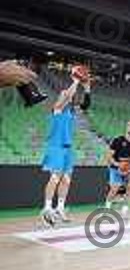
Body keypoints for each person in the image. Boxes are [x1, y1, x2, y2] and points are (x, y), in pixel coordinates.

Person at [40, 73, 91, 227]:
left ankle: (60, 207)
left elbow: (86, 105)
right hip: (56, 146)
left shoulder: (71, 111)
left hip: (68, 148)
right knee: (55, 178)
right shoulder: (56, 109)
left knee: (67, 180)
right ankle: (47, 208)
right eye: (63, 94)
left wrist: (87, 89)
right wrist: (76, 81)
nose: (66, 94)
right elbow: (68, 94)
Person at [105, 120, 130, 218]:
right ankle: (107, 208)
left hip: (129, 169)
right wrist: (119, 166)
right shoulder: (117, 140)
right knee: (114, 189)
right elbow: (109, 157)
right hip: (116, 168)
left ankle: (124, 210)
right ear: (126, 128)